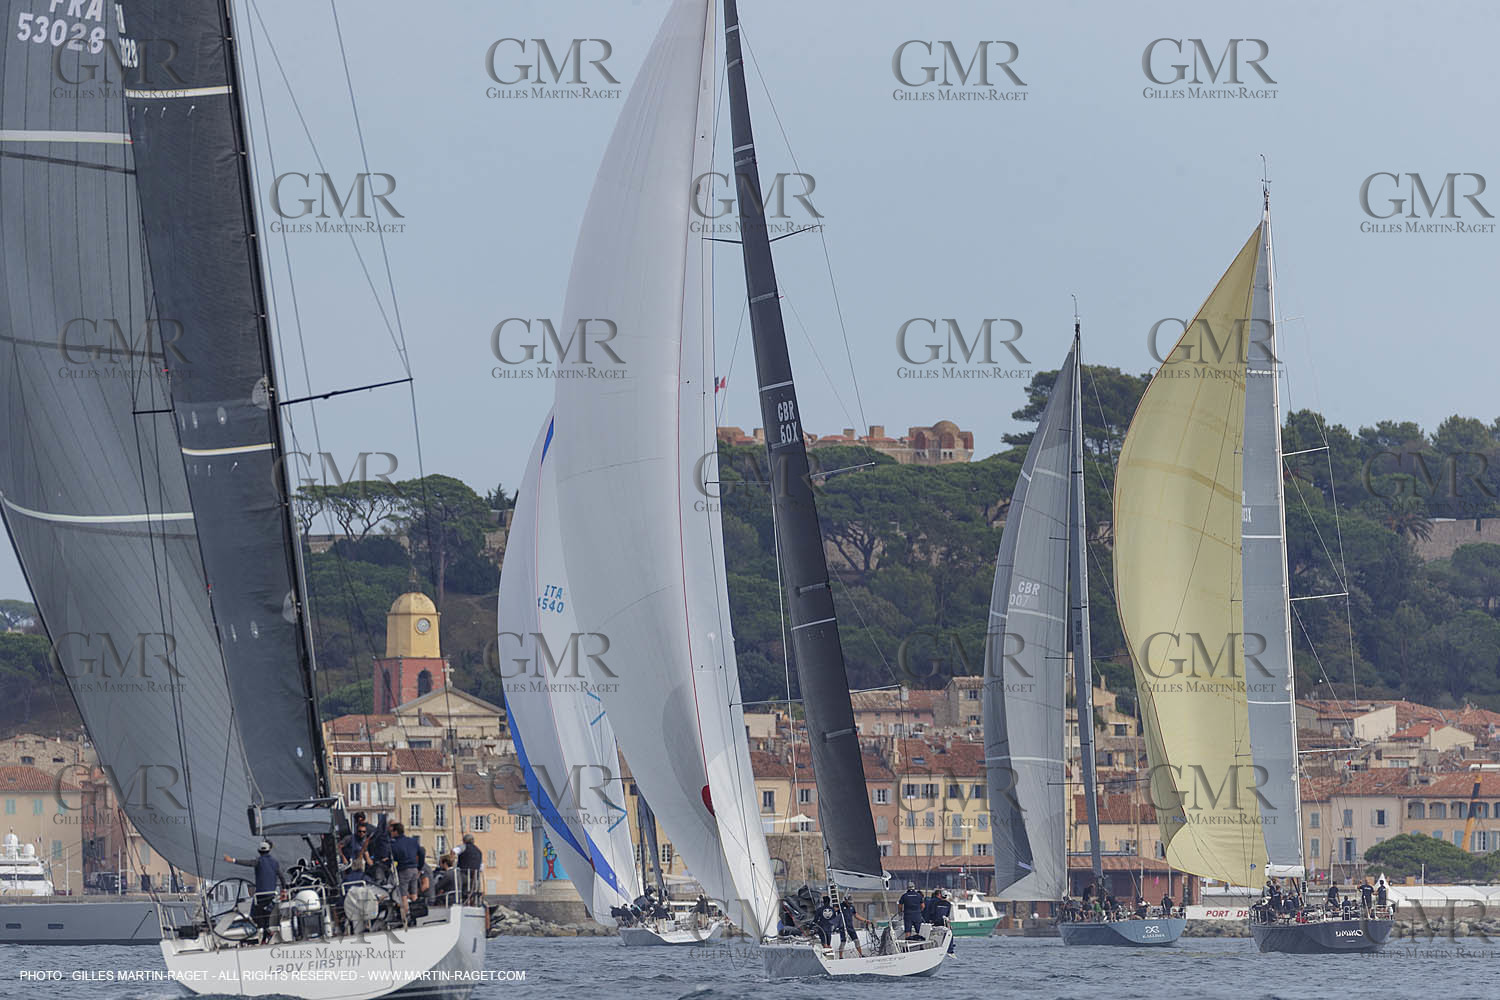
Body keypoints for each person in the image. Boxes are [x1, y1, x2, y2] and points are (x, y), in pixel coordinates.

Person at [224, 841, 282, 945]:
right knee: (266, 917)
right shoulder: (275, 862)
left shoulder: (258, 861)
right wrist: (285, 889)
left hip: (260, 896)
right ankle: (267, 934)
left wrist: (232, 860)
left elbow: (247, 863)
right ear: (269, 850)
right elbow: (281, 877)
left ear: (259, 851)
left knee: (255, 916)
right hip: (272, 895)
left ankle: (266, 934)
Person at [389, 822, 424, 924]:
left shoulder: (394, 844)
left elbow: (392, 859)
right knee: (414, 893)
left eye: (392, 831)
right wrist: (419, 867)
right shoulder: (413, 841)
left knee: (403, 895)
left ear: (395, 832)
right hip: (414, 869)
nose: (391, 833)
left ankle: (406, 917)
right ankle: (416, 914)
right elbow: (421, 853)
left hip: (404, 870)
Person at [457, 832, 483, 904]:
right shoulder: (479, 851)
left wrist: (452, 860)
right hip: (475, 876)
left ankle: (461, 901)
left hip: (464, 874)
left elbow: (454, 851)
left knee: (461, 888)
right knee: (472, 891)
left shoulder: (463, 847)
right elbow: (481, 867)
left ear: (464, 841)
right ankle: (472, 902)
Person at [365, 817, 393, 884]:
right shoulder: (381, 836)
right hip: (379, 864)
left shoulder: (384, 837)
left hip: (385, 864)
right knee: (379, 882)